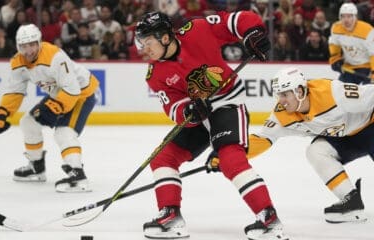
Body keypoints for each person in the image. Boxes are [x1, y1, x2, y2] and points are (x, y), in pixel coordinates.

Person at [134, 11, 289, 240]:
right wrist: (188, 111)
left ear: (165, 37)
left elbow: (235, 21)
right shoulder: (155, 73)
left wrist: (252, 33)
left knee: (229, 158)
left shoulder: (197, 30)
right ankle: (171, 217)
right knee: (163, 158)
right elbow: (173, 106)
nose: (144, 48)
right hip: (199, 114)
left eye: (147, 42)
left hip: (227, 102)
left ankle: (269, 219)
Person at [208, 66, 372, 224]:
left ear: (299, 91)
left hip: (370, 128)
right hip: (345, 138)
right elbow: (262, 138)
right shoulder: (282, 114)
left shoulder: (331, 92)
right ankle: (352, 201)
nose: (281, 100)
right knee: (316, 151)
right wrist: (229, 154)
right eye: (279, 95)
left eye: (285, 94)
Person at [0, 24, 99, 193]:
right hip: (59, 94)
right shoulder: (17, 62)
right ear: (18, 46)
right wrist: (2, 112)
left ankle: (77, 175)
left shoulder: (55, 56)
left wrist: (55, 106)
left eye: (32, 44)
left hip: (81, 94)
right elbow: (15, 91)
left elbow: (72, 89)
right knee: (28, 122)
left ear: (39, 43)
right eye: (24, 46)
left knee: (63, 132)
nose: (28, 51)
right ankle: (36, 167)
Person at [328, 2, 374, 84]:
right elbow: (334, 46)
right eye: (343, 16)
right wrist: (335, 60)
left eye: (349, 16)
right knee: (340, 91)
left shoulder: (367, 30)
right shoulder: (336, 28)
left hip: (366, 68)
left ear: (355, 17)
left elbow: (373, 54)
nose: (346, 20)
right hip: (348, 68)